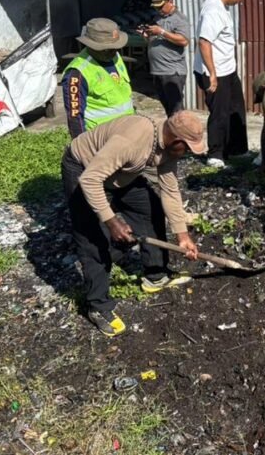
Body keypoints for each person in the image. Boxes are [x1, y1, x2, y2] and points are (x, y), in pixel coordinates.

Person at [61, 112, 206, 336]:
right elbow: (90, 180)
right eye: (187, 148)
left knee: (151, 209)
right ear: (176, 140)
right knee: (93, 237)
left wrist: (182, 235)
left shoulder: (167, 148)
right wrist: (111, 221)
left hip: (122, 173)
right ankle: (98, 306)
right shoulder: (132, 141)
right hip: (84, 168)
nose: (187, 153)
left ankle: (155, 275)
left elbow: (170, 190)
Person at [193, 0, 250, 168]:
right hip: (215, 71)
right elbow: (204, 42)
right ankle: (216, 154)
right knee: (220, 112)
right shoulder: (213, 11)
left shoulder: (220, 5)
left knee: (236, 108)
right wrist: (213, 74)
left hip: (228, 69)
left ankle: (237, 149)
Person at [63, 18, 134, 139]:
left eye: (115, 47)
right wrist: (82, 146)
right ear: (91, 45)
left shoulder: (115, 57)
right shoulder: (78, 73)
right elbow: (75, 118)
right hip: (102, 139)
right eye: (107, 48)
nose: (113, 51)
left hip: (128, 131)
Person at [142, 0, 190, 116]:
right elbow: (155, 40)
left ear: (170, 1)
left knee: (176, 111)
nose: (159, 10)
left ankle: (180, 129)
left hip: (172, 72)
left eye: (161, 6)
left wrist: (161, 32)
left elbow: (184, 40)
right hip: (158, 70)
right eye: (156, 7)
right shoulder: (157, 18)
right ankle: (172, 128)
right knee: (168, 109)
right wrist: (147, 35)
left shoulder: (179, 19)